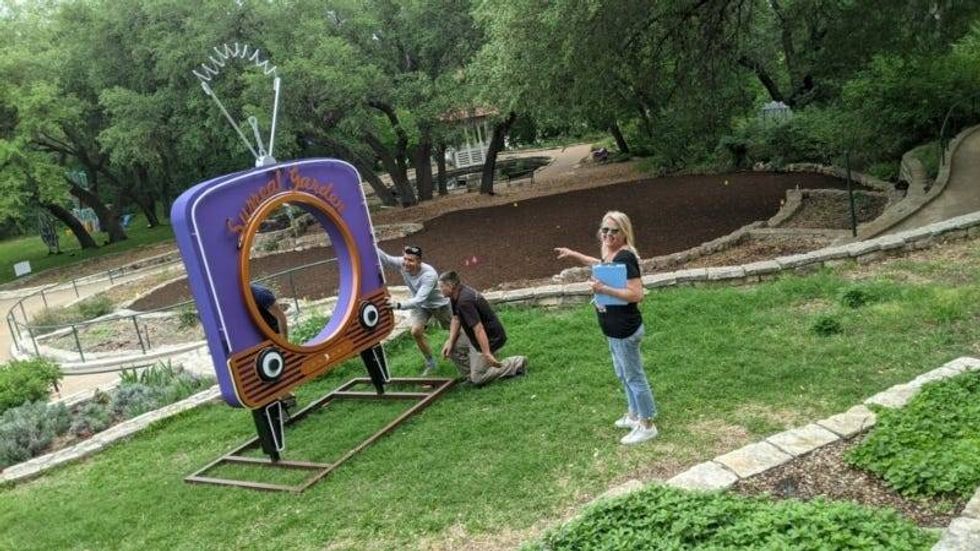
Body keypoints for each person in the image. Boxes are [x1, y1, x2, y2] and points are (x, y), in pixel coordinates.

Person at [554, 211, 659, 445]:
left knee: (634, 377)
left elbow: (636, 294)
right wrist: (574, 255)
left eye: (614, 231)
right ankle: (634, 415)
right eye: (605, 230)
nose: (608, 234)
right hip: (612, 327)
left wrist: (603, 290)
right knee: (623, 374)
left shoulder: (626, 258)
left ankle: (648, 425)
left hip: (624, 329)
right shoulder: (609, 251)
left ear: (624, 233)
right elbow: (601, 265)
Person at [438, 270, 527, 386]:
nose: (440, 290)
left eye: (441, 287)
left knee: (479, 378)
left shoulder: (464, 301)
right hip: (473, 334)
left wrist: (486, 353)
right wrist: (450, 341)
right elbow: (456, 319)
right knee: (453, 348)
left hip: (490, 337)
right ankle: (471, 376)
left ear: (450, 286)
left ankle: (517, 363)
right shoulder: (455, 294)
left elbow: (478, 328)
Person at [377, 245, 452, 375]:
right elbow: (386, 259)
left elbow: (419, 299)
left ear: (419, 261)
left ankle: (475, 348)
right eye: (405, 259)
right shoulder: (403, 264)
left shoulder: (429, 274)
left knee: (455, 331)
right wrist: (369, 243)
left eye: (411, 260)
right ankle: (431, 363)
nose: (406, 263)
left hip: (438, 304)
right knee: (416, 332)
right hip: (422, 307)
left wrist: (398, 305)